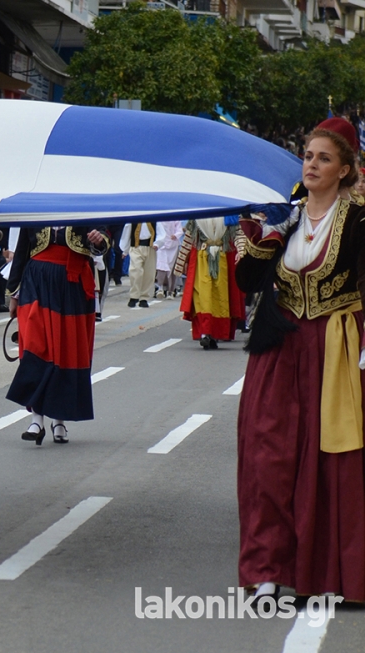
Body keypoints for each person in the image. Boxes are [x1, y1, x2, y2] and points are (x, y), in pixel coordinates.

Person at [235, 116, 365, 602]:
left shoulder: (358, 219)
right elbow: (247, 282)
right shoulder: (284, 217)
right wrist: (259, 238)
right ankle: (266, 571)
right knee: (268, 458)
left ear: (345, 169)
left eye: (323, 158)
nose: (312, 164)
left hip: (337, 350)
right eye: (308, 156)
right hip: (279, 351)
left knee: (334, 463)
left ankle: (333, 577)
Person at [6, 225, 109, 445]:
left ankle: (59, 418)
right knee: (36, 347)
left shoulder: (84, 203)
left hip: (72, 285)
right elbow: (22, 248)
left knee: (65, 351)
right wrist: (14, 292)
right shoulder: (36, 207)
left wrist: (100, 240)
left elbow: (104, 234)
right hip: (37, 282)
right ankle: (36, 419)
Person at [176, 217, 245, 350]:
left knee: (219, 298)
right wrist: (182, 261)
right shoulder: (198, 214)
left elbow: (238, 234)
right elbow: (189, 237)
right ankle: (205, 332)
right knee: (203, 297)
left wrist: (242, 252)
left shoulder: (230, 214)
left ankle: (213, 334)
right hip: (202, 259)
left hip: (222, 259)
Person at [120, 221, 159, 308]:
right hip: (136, 248)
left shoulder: (154, 218)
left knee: (149, 274)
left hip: (150, 248)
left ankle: (144, 298)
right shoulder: (134, 217)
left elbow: (161, 232)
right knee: (135, 270)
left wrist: (158, 243)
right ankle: (134, 296)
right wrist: (125, 250)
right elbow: (127, 232)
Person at [154, 219, 182, 298]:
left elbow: (179, 229)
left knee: (172, 268)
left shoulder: (175, 217)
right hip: (161, 245)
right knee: (161, 267)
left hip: (172, 245)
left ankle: (171, 290)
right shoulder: (159, 218)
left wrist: (176, 235)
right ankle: (160, 288)